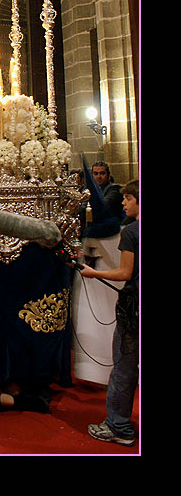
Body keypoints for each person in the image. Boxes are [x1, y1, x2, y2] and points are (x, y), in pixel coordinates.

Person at [79, 180, 139, 446]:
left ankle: (118, 426)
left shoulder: (131, 232)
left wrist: (93, 273)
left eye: (128, 198)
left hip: (133, 309)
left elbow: (125, 273)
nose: (124, 203)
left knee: (124, 368)